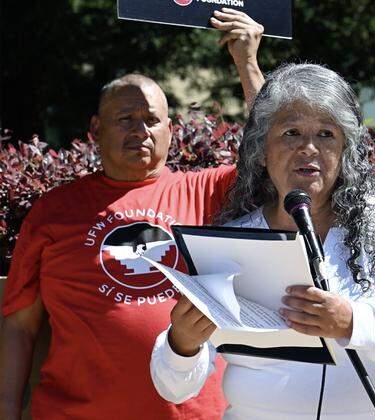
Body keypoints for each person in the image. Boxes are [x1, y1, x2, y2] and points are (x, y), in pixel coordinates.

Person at [0, 9, 265, 420]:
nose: (140, 130)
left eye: (152, 120)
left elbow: (272, 155)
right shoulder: (54, 211)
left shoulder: (205, 191)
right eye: (125, 119)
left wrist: (247, 64)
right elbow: (19, 327)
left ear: (171, 131)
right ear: (95, 130)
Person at [149, 63, 375, 419]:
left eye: (326, 134)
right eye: (291, 132)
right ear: (262, 150)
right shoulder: (233, 241)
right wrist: (182, 344)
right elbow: (174, 387)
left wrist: (353, 322)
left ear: (345, 152)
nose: (309, 148)